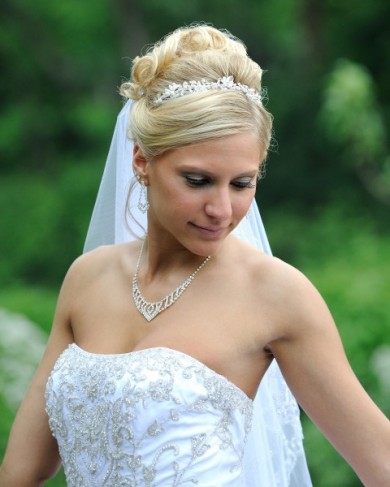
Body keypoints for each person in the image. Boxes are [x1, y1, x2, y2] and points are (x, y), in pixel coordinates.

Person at [0, 24, 389, 487]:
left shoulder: (276, 293)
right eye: (198, 180)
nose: (222, 210)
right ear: (142, 162)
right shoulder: (87, 279)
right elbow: (19, 473)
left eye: (242, 184)